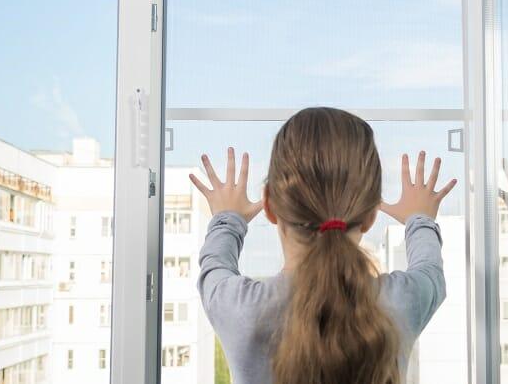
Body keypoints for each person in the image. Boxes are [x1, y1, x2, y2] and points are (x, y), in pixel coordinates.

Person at [190, 107, 457, 384]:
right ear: (370, 216)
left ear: (269, 205)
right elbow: (430, 270)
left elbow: (215, 265)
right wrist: (421, 219)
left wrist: (228, 219)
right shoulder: (402, 301)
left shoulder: (238, 309)